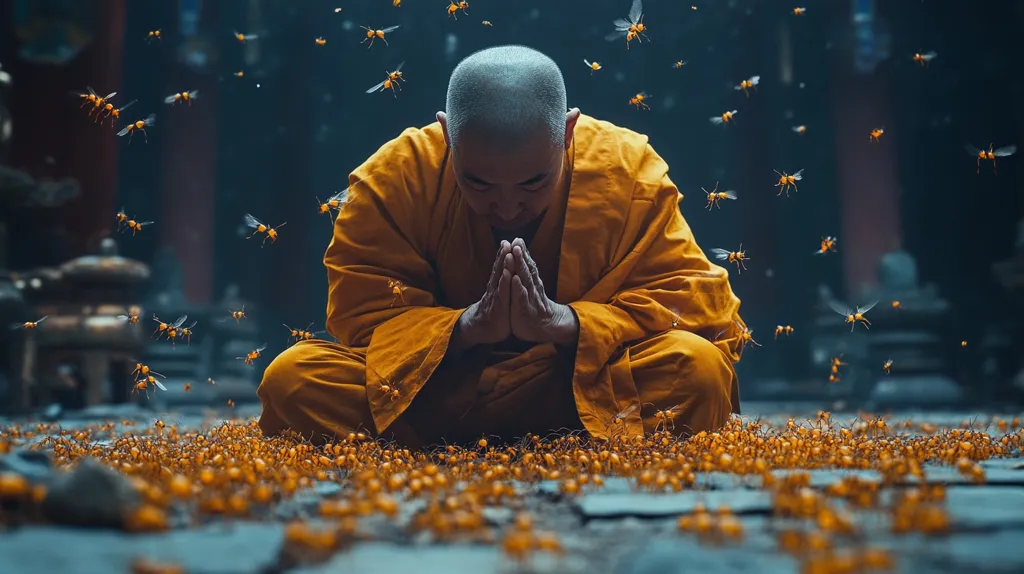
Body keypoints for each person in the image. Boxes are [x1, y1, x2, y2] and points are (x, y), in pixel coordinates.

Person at [258, 45, 746, 447]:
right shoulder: (396, 177)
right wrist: (465, 328)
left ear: (568, 132)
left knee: (696, 371)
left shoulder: (626, 170)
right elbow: (361, 319)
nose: (508, 208)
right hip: (442, 389)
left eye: (534, 184)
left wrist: (567, 323)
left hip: (580, 383)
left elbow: (691, 304)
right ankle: (565, 441)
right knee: (295, 379)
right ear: (448, 135)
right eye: (480, 184)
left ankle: (438, 443)